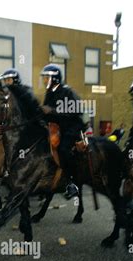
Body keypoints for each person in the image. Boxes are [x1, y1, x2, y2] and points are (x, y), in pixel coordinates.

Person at [40, 64, 84, 200]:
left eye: (47, 78)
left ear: (55, 79)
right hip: (56, 127)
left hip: (71, 127)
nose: (44, 80)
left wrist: (52, 111)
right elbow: (46, 113)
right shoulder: (50, 93)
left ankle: (71, 183)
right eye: (44, 78)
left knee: (64, 149)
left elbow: (76, 111)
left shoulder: (67, 91)